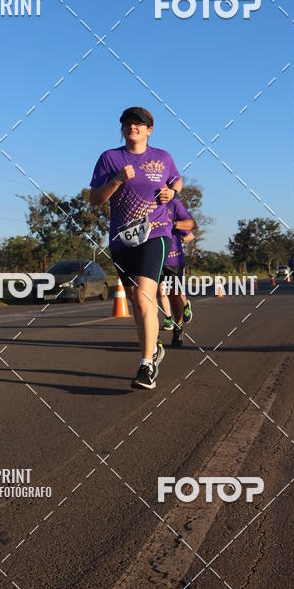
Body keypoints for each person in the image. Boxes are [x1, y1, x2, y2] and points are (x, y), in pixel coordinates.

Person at [90, 107, 182, 390]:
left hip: (156, 234)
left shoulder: (162, 157)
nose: (133, 126)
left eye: (140, 123)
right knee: (133, 300)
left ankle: (146, 365)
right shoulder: (110, 158)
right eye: (128, 122)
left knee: (144, 298)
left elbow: (177, 179)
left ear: (149, 130)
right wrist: (117, 179)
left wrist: (174, 192)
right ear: (123, 128)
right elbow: (94, 199)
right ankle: (154, 348)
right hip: (121, 240)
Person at [159, 198, 196, 348]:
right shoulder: (145, 203)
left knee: (175, 294)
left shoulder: (173, 205)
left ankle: (178, 326)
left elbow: (190, 231)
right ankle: (167, 319)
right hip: (154, 259)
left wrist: (181, 237)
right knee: (159, 292)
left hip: (174, 260)